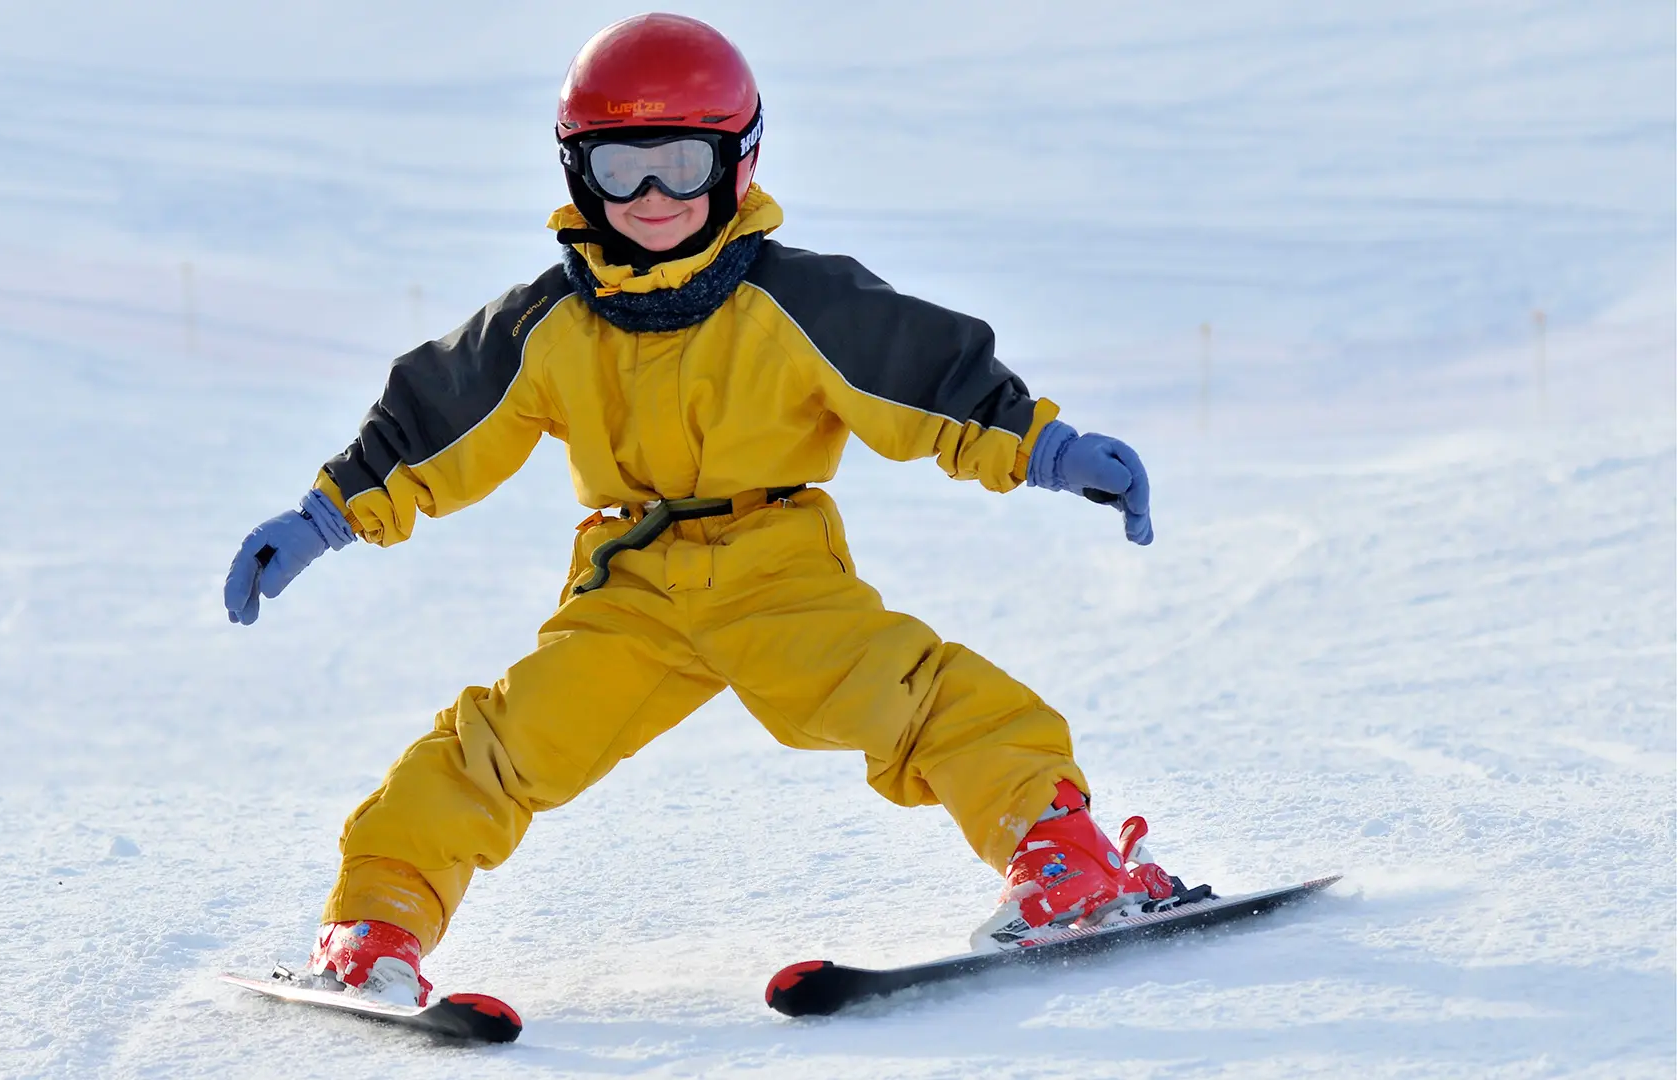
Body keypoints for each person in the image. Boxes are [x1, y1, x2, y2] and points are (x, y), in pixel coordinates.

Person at [224, 12, 1186, 1007]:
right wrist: (325, 518)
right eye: (618, 167)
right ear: (574, 171)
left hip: (778, 570)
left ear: (737, 161)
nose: (649, 197)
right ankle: (374, 929)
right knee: (491, 751)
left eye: (680, 164)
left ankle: (1065, 858)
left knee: (921, 697)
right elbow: (436, 425)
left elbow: (925, 380)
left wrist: (1047, 449)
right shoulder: (544, 327)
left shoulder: (801, 302)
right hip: (627, 586)